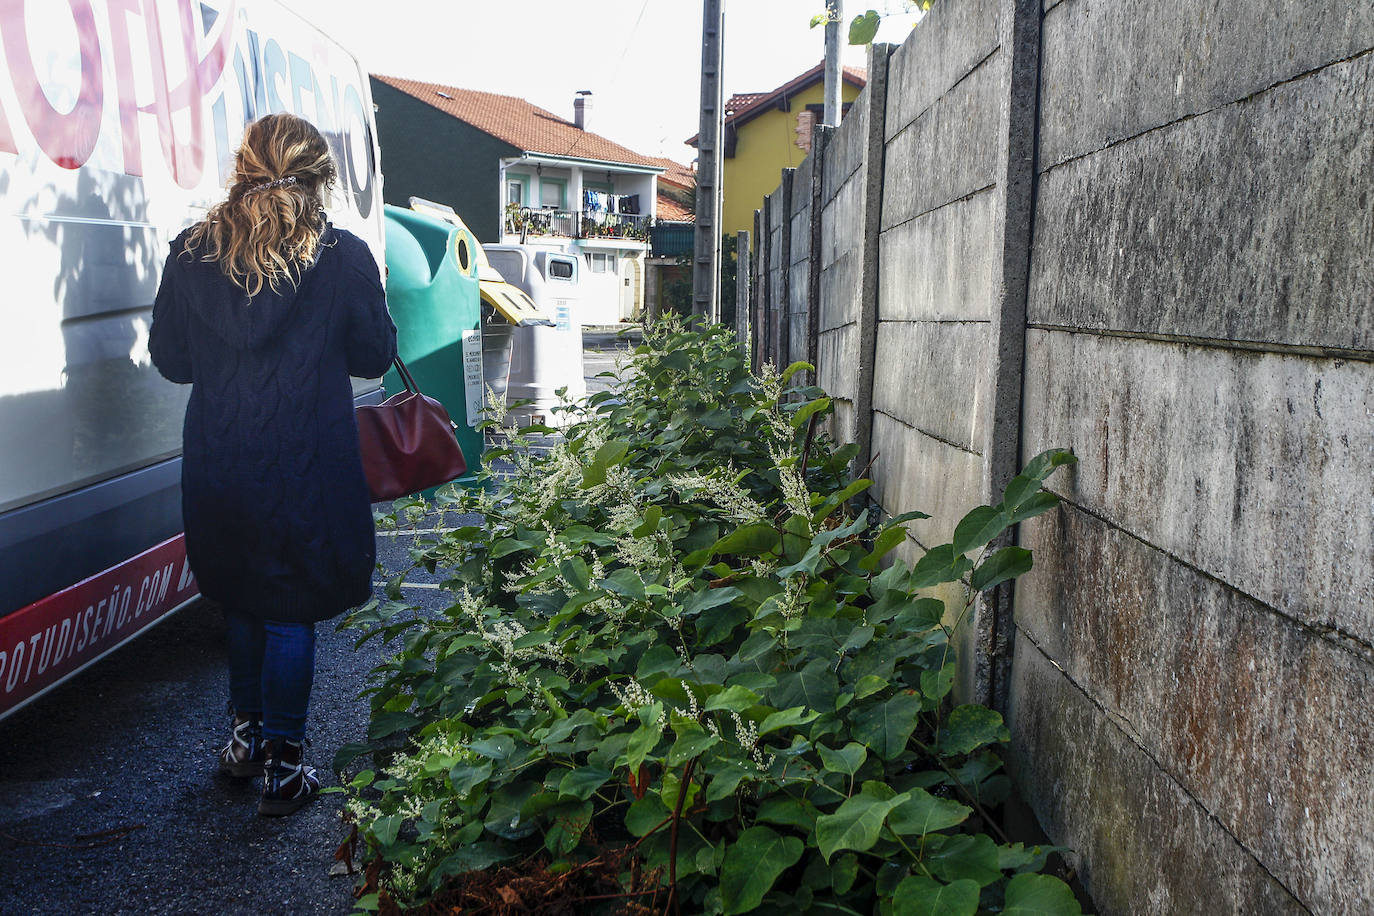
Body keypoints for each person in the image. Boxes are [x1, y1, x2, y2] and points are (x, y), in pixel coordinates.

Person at [149, 113, 396, 816]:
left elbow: (170, 361)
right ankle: (285, 768)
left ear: (244, 169)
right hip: (308, 462)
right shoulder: (343, 256)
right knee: (291, 610)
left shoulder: (192, 253)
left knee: (241, 596)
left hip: (220, 457)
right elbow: (375, 355)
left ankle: (245, 741)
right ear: (320, 177)